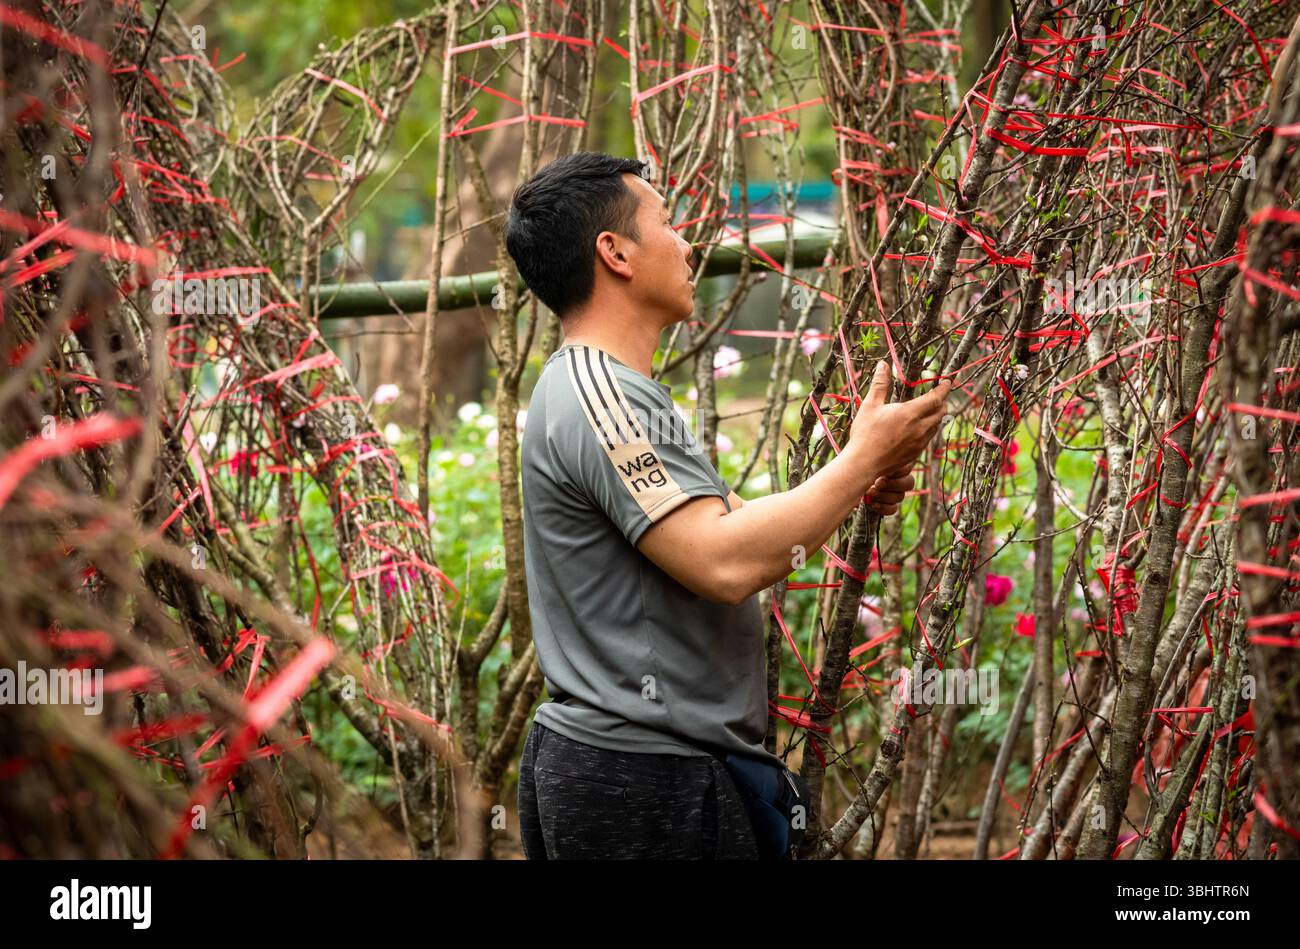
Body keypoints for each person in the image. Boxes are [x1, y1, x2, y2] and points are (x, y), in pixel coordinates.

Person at [505, 151, 951, 859]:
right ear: (615, 251)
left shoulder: (609, 390)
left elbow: (732, 525)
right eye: (666, 224)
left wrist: (854, 482)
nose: (688, 244)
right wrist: (861, 457)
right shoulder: (600, 396)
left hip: (655, 771)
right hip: (640, 784)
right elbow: (722, 561)